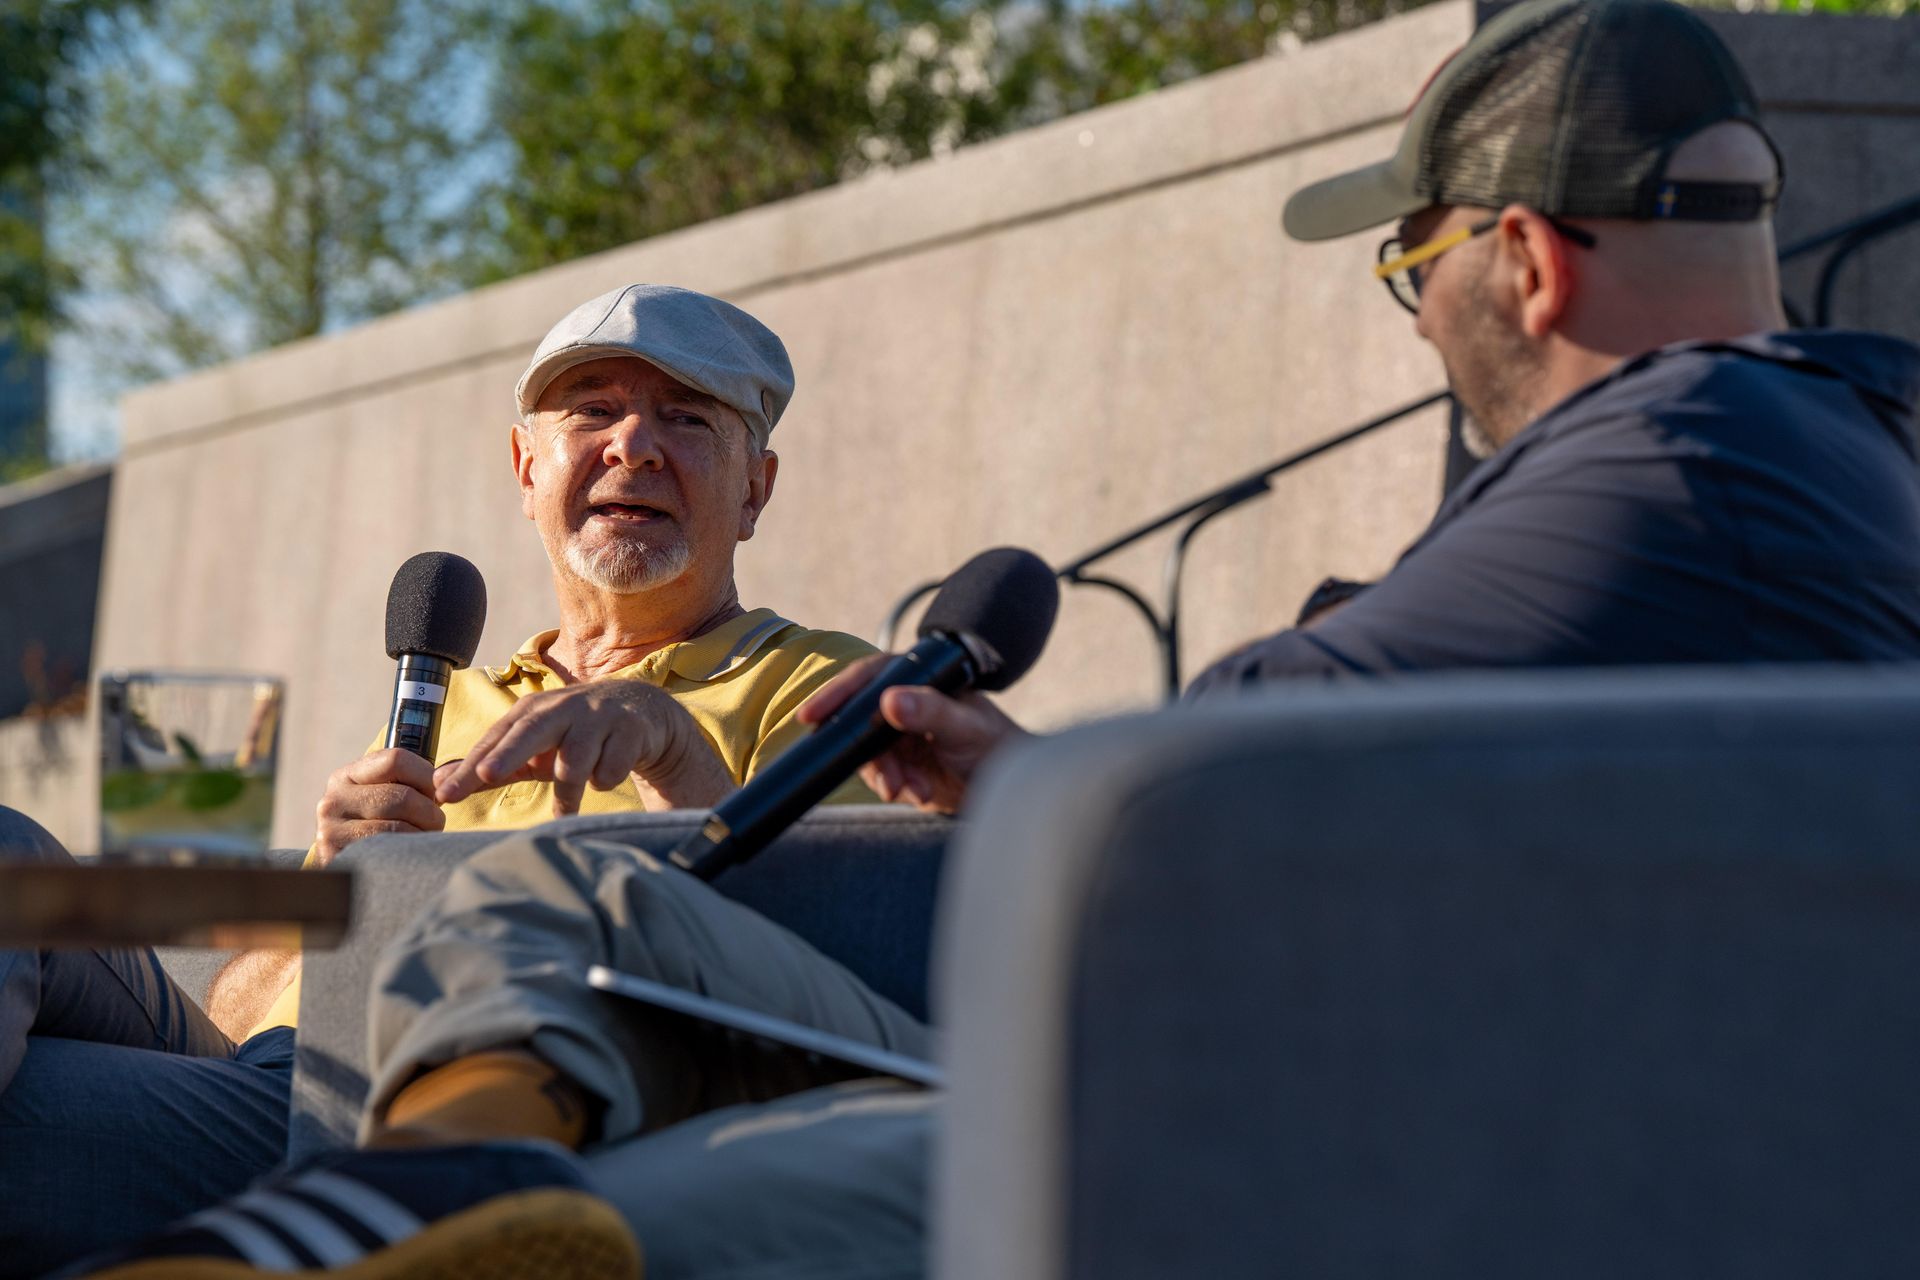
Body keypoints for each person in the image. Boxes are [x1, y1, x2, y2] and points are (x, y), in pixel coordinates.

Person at [68, 0, 1920, 1277]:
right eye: (591, 418)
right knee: (402, 907)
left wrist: (959, 776)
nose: (1420, 321)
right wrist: (1031, 773)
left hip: (1219, 1098)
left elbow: (1241, 790)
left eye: (1407, 266)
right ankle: (421, 1180)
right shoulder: (1747, 459)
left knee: (520, 920)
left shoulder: (1684, 467)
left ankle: (404, 1198)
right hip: (1234, 1032)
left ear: (1525, 257)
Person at [1, 284, 878, 1277]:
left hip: (425, 1103)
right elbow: (245, 1007)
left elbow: (831, 974)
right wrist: (336, 884)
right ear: (525, 465)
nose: (634, 445)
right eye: (592, 410)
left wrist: (674, 750)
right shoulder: (446, 698)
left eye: (685, 417)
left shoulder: (827, 686)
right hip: (261, 1071)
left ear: (756, 488)